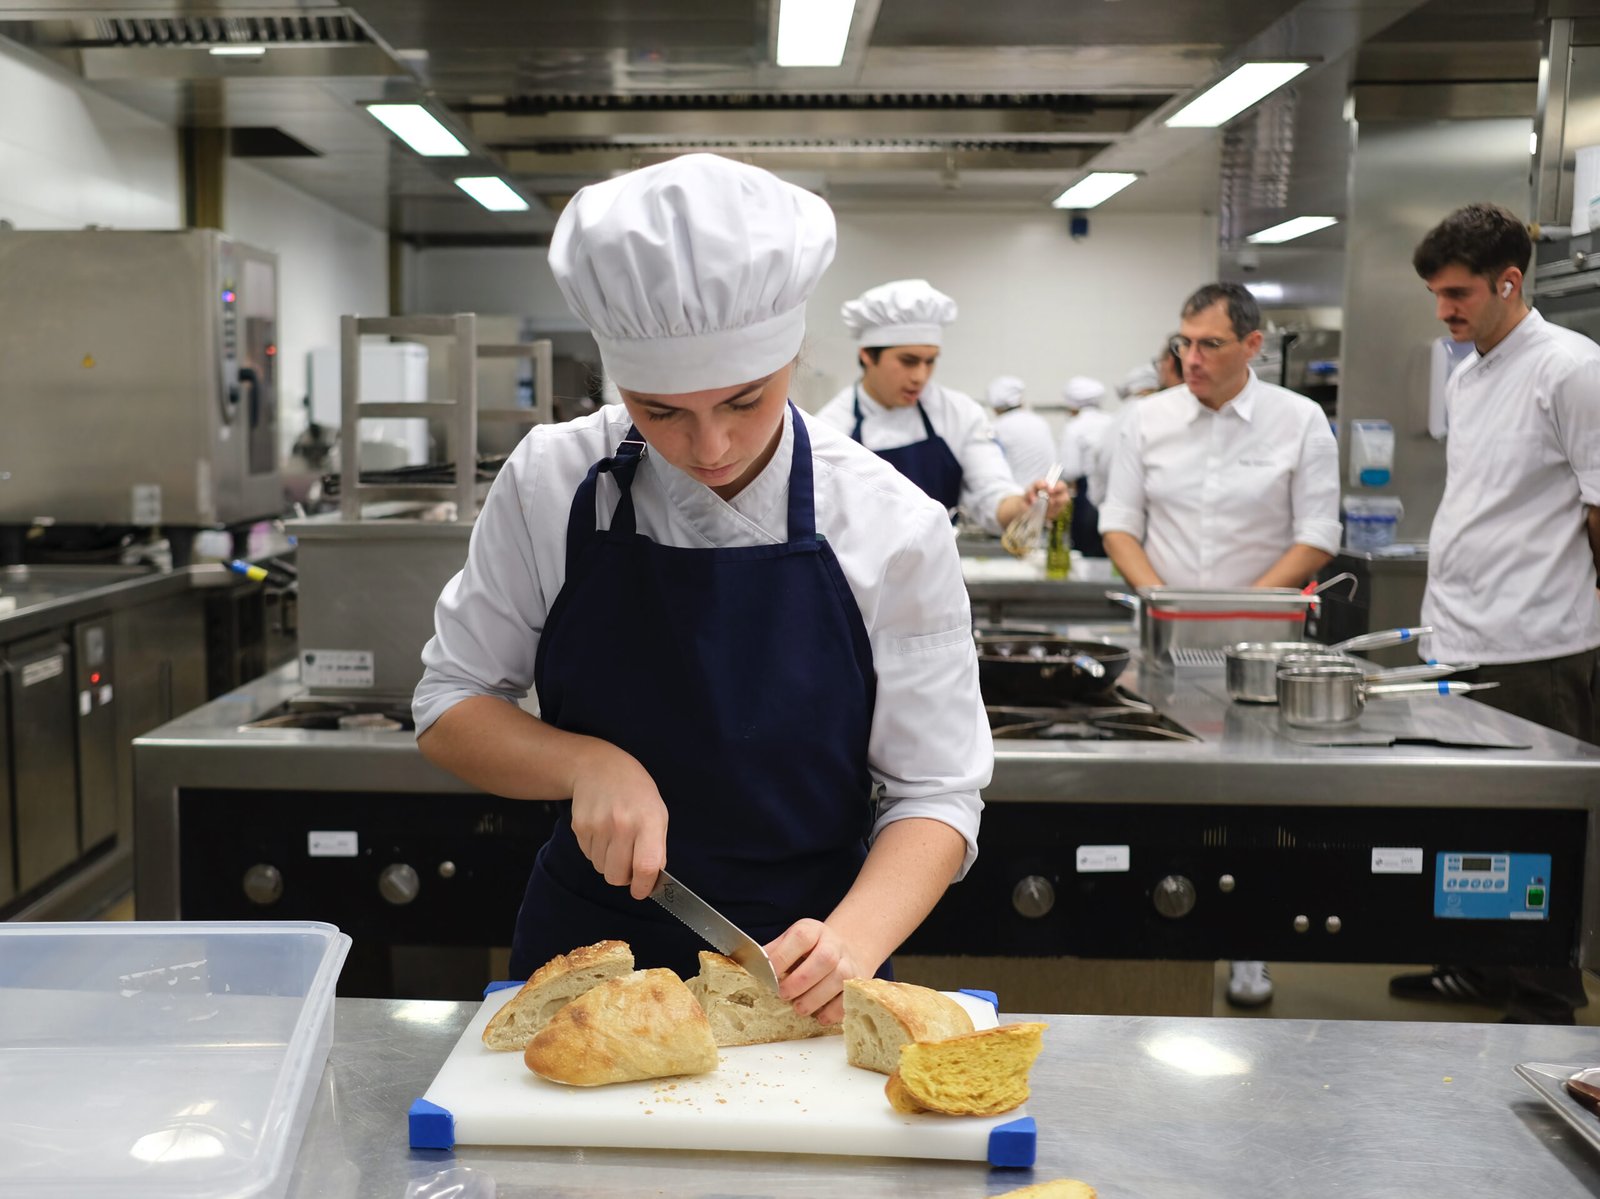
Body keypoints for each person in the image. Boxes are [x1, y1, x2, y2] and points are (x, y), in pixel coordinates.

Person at [412, 154, 990, 1026]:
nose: (711, 446)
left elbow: (937, 790)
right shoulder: (552, 479)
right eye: (660, 411)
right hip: (586, 959)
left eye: (745, 401)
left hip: (807, 964)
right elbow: (449, 702)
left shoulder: (891, 523)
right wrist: (583, 763)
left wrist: (853, 942)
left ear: (795, 355)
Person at [1099, 281, 1341, 1007]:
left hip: (1263, 652)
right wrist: (1165, 602)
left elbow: (1318, 536)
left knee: (1256, 807)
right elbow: (1119, 524)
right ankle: (1156, 944)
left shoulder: (1299, 422)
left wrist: (1241, 609)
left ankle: (1249, 946)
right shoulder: (1146, 420)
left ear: (1253, 346)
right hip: (1164, 644)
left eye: (1209, 344)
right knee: (1166, 799)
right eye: (1184, 342)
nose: (1191, 358)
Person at [1387, 202, 1600, 1024]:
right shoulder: (1469, 370)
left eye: (1459, 293)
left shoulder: (1571, 368)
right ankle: (1475, 963)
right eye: (1437, 293)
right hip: (1461, 634)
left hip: (1538, 640)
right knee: (1468, 814)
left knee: (1540, 829)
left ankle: (1545, 990)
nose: (1445, 309)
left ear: (1510, 282)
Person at [817, 279, 1069, 533]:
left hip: (939, 569)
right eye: (908, 361)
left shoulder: (959, 413)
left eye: (930, 361)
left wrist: (1025, 506)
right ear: (867, 355)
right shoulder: (829, 428)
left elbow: (991, 493)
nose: (921, 376)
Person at [1056, 376, 1114, 558]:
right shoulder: (1113, 421)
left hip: (1087, 498)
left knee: (1088, 553)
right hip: (1115, 494)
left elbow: (1070, 469)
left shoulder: (1074, 427)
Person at [985, 375, 1055, 488]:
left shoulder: (996, 428)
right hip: (1046, 492)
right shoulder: (1040, 422)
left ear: (995, 407)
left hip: (1017, 497)